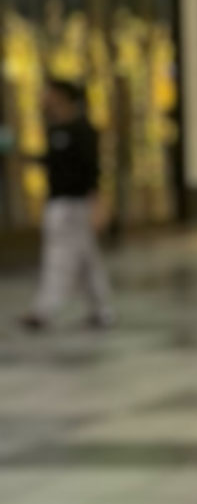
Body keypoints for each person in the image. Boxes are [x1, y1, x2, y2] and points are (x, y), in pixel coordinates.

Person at [23, 78, 111, 332]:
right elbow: (52, 162)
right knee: (86, 259)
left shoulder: (82, 130)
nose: (43, 98)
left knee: (59, 257)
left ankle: (44, 310)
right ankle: (101, 310)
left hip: (75, 204)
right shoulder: (54, 130)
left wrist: (97, 203)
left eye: (48, 93)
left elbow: (91, 169)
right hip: (58, 201)